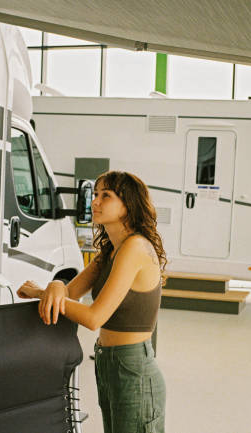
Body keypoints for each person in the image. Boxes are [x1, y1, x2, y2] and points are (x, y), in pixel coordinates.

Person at [18, 170, 167, 433]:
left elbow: (93, 317)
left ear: (128, 204)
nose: (94, 201)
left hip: (133, 368)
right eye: (95, 194)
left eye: (105, 196)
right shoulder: (111, 251)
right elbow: (70, 293)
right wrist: (54, 286)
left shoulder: (135, 247)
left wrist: (43, 292)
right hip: (108, 362)